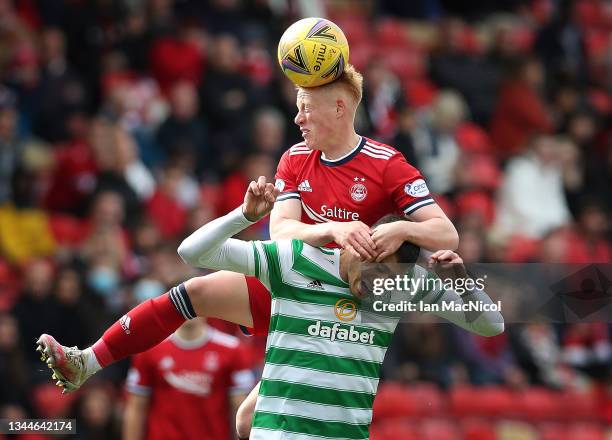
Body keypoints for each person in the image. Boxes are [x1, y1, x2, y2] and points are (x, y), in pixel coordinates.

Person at [37, 176, 502, 440]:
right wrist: (252, 217)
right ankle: (87, 361)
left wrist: (459, 281)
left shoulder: (402, 277)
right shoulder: (300, 246)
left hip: (324, 362)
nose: (377, 287)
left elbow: (492, 322)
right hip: (296, 292)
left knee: (244, 420)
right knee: (196, 293)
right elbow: (192, 252)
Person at [123, 318, 254, 440]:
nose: (189, 311)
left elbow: (239, 409)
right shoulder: (149, 349)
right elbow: (136, 408)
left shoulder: (233, 350)